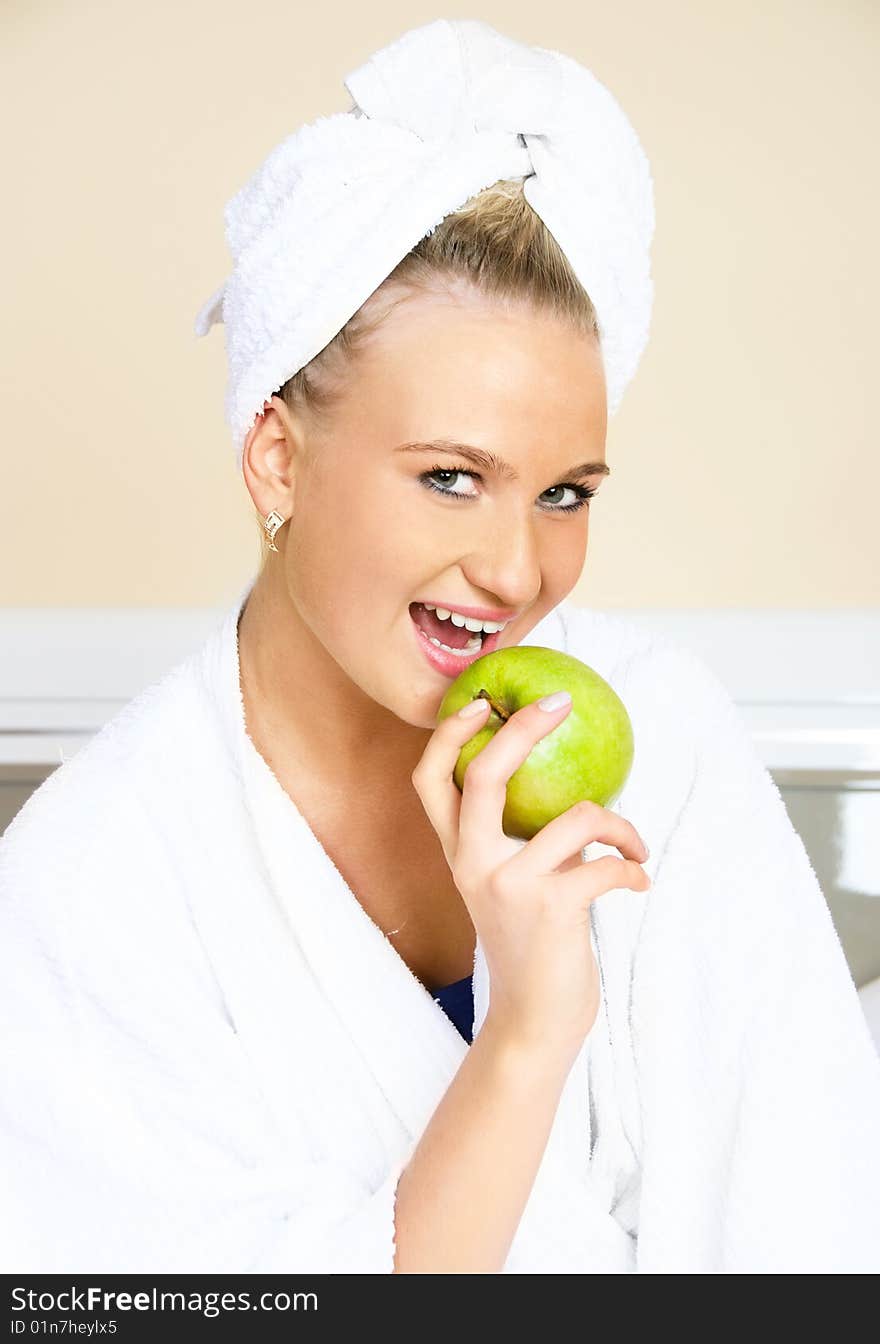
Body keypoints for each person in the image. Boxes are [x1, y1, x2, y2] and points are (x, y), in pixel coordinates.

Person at [2, 20, 879, 1275]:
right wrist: (528, 1031)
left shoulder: (662, 738)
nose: (519, 572)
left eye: (565, 493)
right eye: (452, 477)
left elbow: (811, 1221)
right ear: (277, 455)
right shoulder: (94, 890)